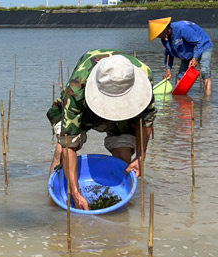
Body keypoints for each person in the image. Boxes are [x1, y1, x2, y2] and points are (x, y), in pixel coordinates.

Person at [46, 49, 155, 210]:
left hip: (126, 108)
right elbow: (69, 142)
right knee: (61, 150)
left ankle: (118, 207)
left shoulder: (143, 76)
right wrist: (75, 193)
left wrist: (140, 156)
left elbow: (146, 119)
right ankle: (53, 204)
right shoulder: (76, 89)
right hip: (86, 107)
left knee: (124, 152)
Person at [148, 17, 213, 96]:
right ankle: (178, 97)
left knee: (204, 72)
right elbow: (169, 53)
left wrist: (195, 58)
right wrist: (168, 69)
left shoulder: (182, 28)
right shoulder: (164, 39)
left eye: (158, 34)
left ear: (164, 29)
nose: (157, 37)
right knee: (180, 76)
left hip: (203, 46)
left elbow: (199, 42)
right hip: (187, 52)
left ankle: (207, 98)